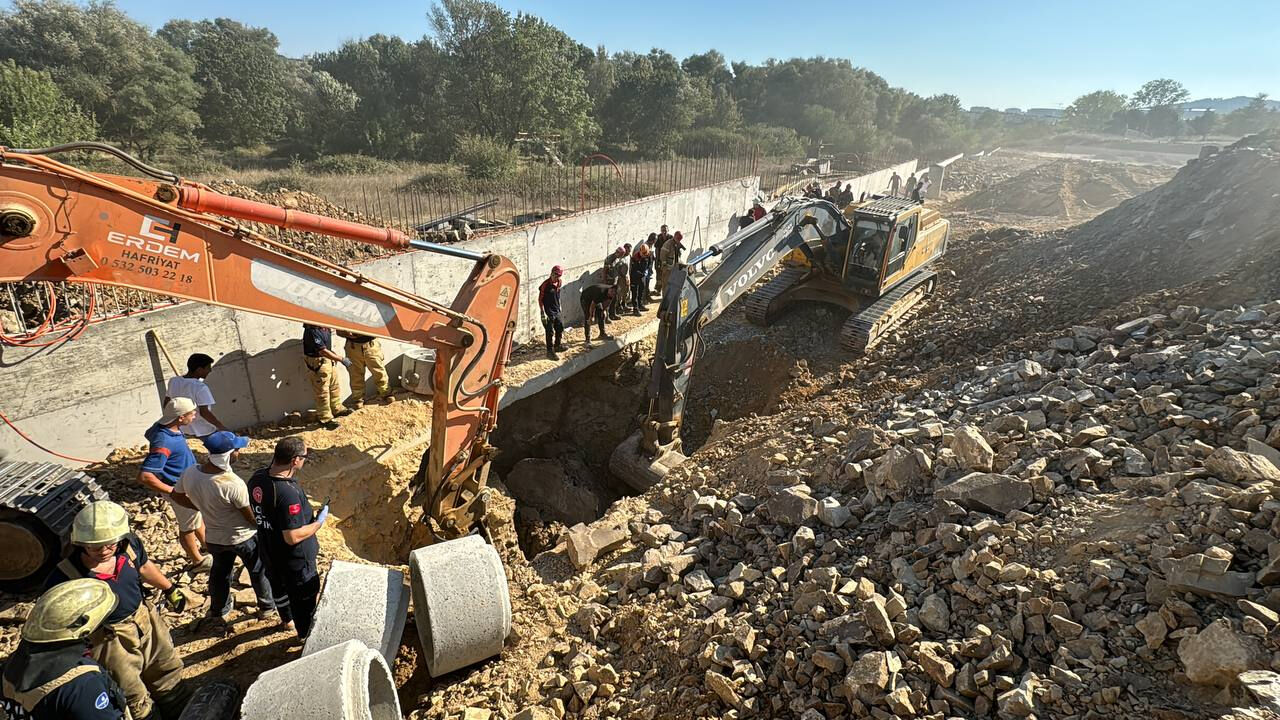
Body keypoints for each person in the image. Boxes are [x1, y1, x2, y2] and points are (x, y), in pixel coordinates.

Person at [46, 502, 190, 720]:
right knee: (131, 692)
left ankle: (181, 709)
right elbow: (56, 622)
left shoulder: (129, 546)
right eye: (95, 547)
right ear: (81, 543)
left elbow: (143, 567)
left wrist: (169, 589)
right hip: (109, 639)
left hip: (145, 619)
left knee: (167, 670)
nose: (104, 551)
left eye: (110, 545)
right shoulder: (66, 576)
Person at [171, 431, 278, 629]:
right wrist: (268, 527)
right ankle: (267, 607)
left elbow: (176, 496)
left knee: (220, 573)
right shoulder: (232, 483)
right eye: (237, 449)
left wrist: (201, 507)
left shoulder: (191, 472)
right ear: (229, 454)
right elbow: (250, 517)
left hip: (214, 538)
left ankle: (218, 610)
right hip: (243, 537)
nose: (239, 452)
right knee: (257, 571)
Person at [1, 579, 129, 720]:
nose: (108, 630)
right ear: (83, 630)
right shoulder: (83, 685)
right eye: (101, 624)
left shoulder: (17, 661)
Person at [249, 437, 328, 641]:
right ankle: (305, 636)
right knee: (304, 600)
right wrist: (318, 522)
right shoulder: (287, 493)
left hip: (269, 550)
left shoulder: (257, 478)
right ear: (294, 460)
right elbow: (292, 536)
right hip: (295, 560)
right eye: (303, 457)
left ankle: (286, 620)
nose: (304, 460)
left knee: (279, 587)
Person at [139, 397, 206, 569]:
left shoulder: (162, 429)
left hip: (186, 485)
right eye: (192, 413)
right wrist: (173, 492)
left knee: (194, 517)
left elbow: (149, 433)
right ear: (180, 418)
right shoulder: (164, 442)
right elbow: (146, 476)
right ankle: (198, 561)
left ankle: (207, 545)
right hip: (180, 489)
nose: (195, 416)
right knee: (187, 527)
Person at [163, 353, 225, 449]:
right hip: (201, 427)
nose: (210, 370)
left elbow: (167, 404)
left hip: (181, 426)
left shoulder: (174, 381)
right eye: (208, 368)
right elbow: (204, 413)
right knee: (221, 449)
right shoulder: (200, 387)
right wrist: (220, 427)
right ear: (199, 370)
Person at [302, 324, 349, 429]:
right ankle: (325, 418)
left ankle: (337, 409)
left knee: (334, 386)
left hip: (328, 361)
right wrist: (341, 359)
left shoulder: (325, 327)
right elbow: (322, 351)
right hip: (318, 363)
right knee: (322, 392)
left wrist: (333, 356)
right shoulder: (312, 331)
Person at [337, 331, 392, 409]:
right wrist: (346, 334)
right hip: (353, 347)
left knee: (379, 371)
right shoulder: (346, 318)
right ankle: (358, 400)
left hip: (371, 346)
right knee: (355, 375)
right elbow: (338, 332)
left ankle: (386, 393)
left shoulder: (372, 318)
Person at [538, 265, 566, 359]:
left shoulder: (559, 282)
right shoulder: (545, 285)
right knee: (549, 331)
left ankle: (557, 345)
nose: (556, 277)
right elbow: (540, 299)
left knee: (560, 327)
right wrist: (542, 313)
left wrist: (559, 307)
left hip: (557, 309)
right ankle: (550, 351)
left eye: (558, 275)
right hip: (548, 311)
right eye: (555, 274)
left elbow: (557, 295)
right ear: (551, 273)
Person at [603, 247, 629, 321]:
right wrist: (605, 281)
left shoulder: (618, 259)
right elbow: (605, 270)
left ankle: (613, 314)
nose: (622, 256)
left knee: (615, 299)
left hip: (615, 281)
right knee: (608, 300)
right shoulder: (609, 259)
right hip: (609, 281)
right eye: (621, 254)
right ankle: (606, 317)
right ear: (617, 252)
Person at [629, 244, 652, 314]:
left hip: (642, 276)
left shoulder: (649, 255)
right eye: (643, 253)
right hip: (635, 276)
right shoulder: (635, 257)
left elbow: (649, 264)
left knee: (641, 291)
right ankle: (635, 308)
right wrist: (640, 273)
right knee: (635, 292)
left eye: (645, 254)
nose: (644, 255)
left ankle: (640, 305)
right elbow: (633, 269)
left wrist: (647, 270)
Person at [644, 234, 658, 298]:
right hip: (645, 266)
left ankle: (647, 294)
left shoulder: (652, 245)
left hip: (650, 265)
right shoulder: (645, 245)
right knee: (646, 281)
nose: (656, 241)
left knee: (648, 280)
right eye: (655, 240)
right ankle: (645, 295)